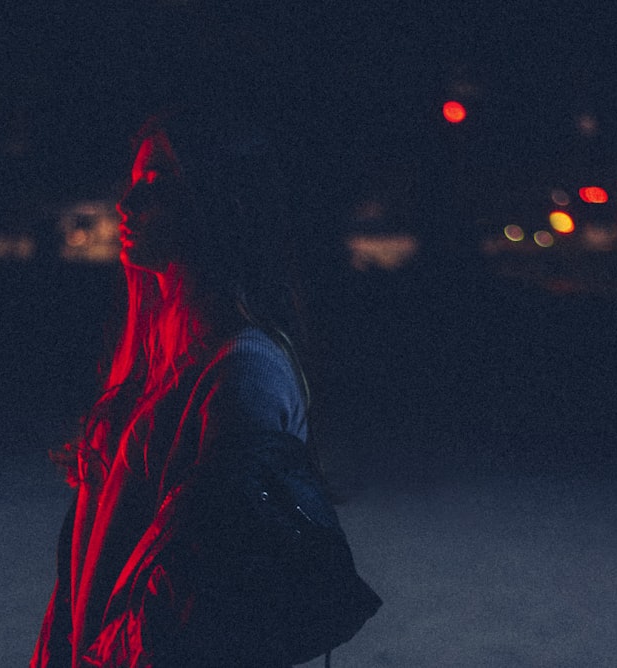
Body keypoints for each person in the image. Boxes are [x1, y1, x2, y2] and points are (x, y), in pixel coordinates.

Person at [31, 108, 379, 667]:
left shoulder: (242, 372)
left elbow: (214, 601)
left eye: (157, 184)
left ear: (220, 201)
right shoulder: (152, 360)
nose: (127, 204)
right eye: (134, 183)